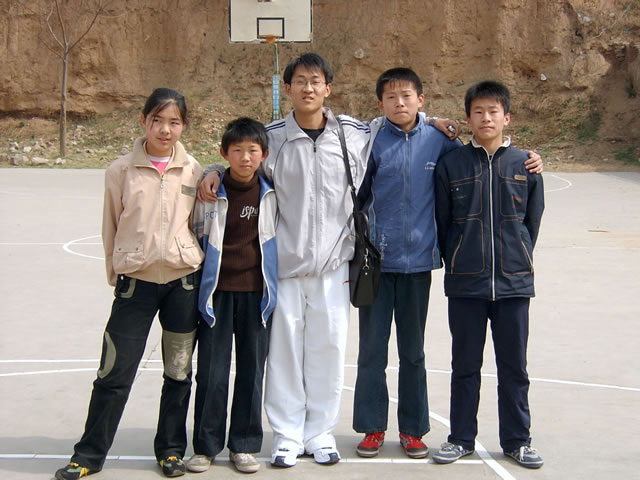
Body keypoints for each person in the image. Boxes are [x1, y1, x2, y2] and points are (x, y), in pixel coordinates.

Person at [198, 53, 455, 468]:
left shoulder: (354, 132)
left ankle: (319, 432)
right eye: (300, 81)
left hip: (335, 266)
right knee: (284, 354)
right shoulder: (273, 137)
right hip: (284, 266)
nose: (308, 88)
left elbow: (401, 119)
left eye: (316, 81)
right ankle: (287, 434)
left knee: (328, 349)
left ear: (328, 88)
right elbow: (240, 160)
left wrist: (436, 120)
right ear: (287, 89)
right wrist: (211, 170)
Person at [353, 69, 544, 460]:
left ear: (421, 100)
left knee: (415, 353)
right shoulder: (370, 141)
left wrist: (517, 253)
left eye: (407, 95)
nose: (400, 103)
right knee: (372, 351)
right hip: (377, 263)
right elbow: (357, 195)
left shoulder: (444, 143)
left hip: (423, 265)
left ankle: (414, 430)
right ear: (379, 103)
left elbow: (530, 222)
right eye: (391, 97)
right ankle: (374, 427)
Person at [54, 88, 204, 480]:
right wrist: (115, 272)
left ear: (184, 126)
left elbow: (200, 224)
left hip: (183, 285)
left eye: (174, 122)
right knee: (113, 372)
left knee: (178, 372)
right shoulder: (120, 170)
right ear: (143, 121)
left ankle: (170, 451)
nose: (165, 129)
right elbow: (110, 224)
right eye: (158, 120)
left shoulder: (194, 170)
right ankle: (88, 456)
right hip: (135, 285)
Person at [433, 80, 544, 469]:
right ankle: (460, 438)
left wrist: (519, 255)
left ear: (506, 117)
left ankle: (517, 440)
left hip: (514, 283)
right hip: (466, 283)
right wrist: (458, 257)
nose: (486, 118)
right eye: (478, 111)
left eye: (493, 111)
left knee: (514, 368)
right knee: (465, 367)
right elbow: (443, 223)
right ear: (468, 119)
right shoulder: (452, 165)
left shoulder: (525, 165)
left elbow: (532, 223)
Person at [185, 117, 277, 475]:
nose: (245, 158)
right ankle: (206, 447)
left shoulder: (272, 192)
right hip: (217, 295)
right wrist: (211, 173)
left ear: (264, 154)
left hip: (257, 295)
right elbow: (195, 232)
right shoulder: (210, 191)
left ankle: (244, 445)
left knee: (252, 372)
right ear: (224, 153)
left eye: (252, 150)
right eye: (237, 150)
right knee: (211, 372)